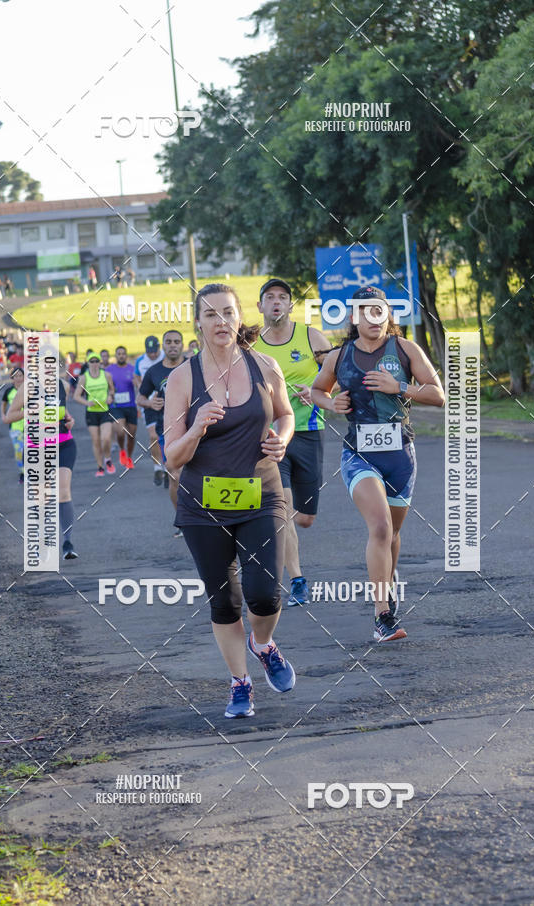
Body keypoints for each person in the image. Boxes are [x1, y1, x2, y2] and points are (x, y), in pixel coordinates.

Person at [164, 283, 296, 719]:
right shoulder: (183, 378)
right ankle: (240, 684)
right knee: (225, 603)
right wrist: (197, 426)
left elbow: (285, 413)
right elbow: (172, 456)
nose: (220, 322)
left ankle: (264, 644)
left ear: (240, 318)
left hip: (262, 494)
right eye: (210, 315)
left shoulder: (265, 366)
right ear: (197, 324)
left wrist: (283, 439)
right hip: (203, 505)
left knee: (265, 596)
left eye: (227, 313)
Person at [311, 286, 445, 642]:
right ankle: (381, 615)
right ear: (354, 318)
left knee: (393, 534)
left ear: (388, 315)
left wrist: (398, 386)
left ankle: (387, 581)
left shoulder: (406, 350)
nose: (373, 317)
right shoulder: (338, 357)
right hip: (359, 455)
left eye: (379, 310)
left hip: (401, 454)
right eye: (365, 310)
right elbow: (316, 391)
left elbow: (438, 395)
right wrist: (331, 405)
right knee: (381, 528)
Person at [256, 278, 332, 607]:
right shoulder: (250, 345)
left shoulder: (311, 336)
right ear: (259, 306)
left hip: (310, 432)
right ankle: (297, 579)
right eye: (269, 297)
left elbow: (340, 371)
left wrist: (317, 390)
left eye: (282, 298)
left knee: (305, 517)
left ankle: (292, 551)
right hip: (270, 438)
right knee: (283, 510)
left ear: (290, 305)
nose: (276, 302)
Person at [3, 372, 79, 559]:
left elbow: (64, 412)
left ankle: (67, 543)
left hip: (63, 444)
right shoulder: (26, 388)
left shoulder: (64, 386)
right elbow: (9, 417)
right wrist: (30, 411)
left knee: (63, 491)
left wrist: (70, 420)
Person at [136, 330, 185, 524]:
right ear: (163, 346)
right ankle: (181, 520)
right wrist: (149, 403)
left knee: (202, 476)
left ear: (182, 344)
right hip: (168, 431)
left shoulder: (194, 365)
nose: (173, 345)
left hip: (196, 430)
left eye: (177, 341)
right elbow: (140, 397)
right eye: (169, 342)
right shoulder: (154, 371)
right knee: (175, 476)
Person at [74, 352, 116, 476]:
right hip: (92, 413)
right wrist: (87, 402)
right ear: (87, 363)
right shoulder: (84, 378)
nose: (94, 364)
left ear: (100, 362)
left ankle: (107, 459)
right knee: (96, 441)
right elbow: (76, 396)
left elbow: (112, 390)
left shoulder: (106, 375)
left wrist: (110, 397)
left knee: (106, 438)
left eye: (96, 361)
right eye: (91, 361)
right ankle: (100, 467)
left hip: (105, 411)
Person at [107, 345, 138, 469]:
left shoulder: (132, 369)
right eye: (118, 353)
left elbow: (138, 384)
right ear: (116, 356)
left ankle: (129, 458)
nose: (121, 356)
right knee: (120, 431)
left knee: (131, 435)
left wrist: (136, 383)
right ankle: (122, 450)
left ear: (126, 355)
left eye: (123, 353)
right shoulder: (109, 370)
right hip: (116, 406)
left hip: (130, 405)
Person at [1, 367, 25, 482]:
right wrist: (3, 415)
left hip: (30, 426)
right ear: (12, 378)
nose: (19, 378)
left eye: (21, 375)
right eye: (16, 376)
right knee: (19, 451)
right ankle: (23, 472)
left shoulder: (30, 390)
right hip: (15, 427)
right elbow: (3, 403)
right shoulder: (9, 392)